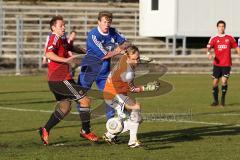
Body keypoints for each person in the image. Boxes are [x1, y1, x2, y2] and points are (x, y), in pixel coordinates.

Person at [76, 11, 130, 142]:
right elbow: (104, 55)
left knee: (110, 98)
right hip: (89, 71)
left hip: (104, 73)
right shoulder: (93, 35)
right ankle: (85, 128)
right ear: (99, 22)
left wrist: (122, 47)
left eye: (109, 22)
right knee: (81, 98)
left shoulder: (113, 31)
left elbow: (126, 43)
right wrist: (118, 50)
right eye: (104, 22)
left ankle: (111, 132)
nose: (107, 24)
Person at [38, 15, 92, 145]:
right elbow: (48, 53)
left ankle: (45, 129)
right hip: (60, 80)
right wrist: (65, 60)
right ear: (53, 27)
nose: (64, 27)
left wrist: (86, 51)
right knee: (85, 100)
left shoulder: (61, 39)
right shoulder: (54, 37)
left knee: (65, 108)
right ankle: (85, 131)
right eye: (61, 25)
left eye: (64, 25)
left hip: (57, 80)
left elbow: (69, 47)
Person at [102, 45, 159, 148]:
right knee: (136, 108)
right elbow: (132, 89)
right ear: (128, 57)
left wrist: (140, 58)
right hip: (113, 94)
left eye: (138, 58)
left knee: (137, 119)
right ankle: (132, 141)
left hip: (113, 91)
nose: (136, 62)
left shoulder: (125, 56)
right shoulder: (127, 73)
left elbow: (127, 51)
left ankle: (109, 135)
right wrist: (147, 87)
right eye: (134, 59)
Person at [207, 20, 240, 107]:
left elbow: (236, 47)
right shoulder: (213, 38)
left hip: (226, 64)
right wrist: (209, 54)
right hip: (217, 65)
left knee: (224, 81)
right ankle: (215, 101)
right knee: (215, 83)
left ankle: (223, 100)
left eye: (222, 26)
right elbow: (208, 49)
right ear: (217, 27)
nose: (221, 28)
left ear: (224, 27)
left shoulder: (229, 38)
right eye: (220, 26)